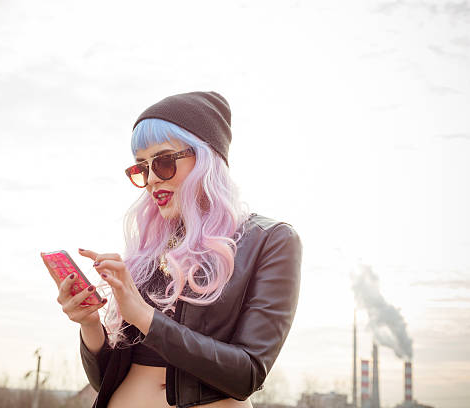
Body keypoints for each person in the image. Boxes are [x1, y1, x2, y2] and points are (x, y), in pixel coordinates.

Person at [56, 91, 302, 408]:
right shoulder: (148, 251)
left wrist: (144, 317)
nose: (151, 179)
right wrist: (90, 323)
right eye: (141, 168)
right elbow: (106, 380)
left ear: (206, 159)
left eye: (164, 161)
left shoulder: (270, 240)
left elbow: (248, 374)